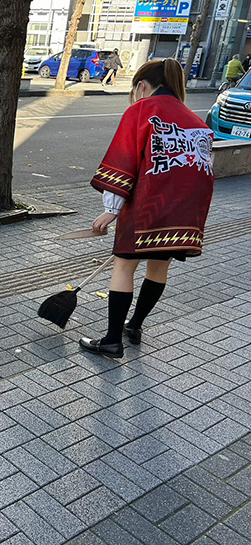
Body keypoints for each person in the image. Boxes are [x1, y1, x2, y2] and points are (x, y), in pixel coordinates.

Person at [80, 58, 214, 358]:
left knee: (124, 267)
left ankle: (113, 340)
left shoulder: (141, 111)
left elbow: (124, 159)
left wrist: (111, 210)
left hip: (145, 207)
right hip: (182, 212)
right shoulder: (197, 123)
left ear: (142, 86)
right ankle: (135, 325)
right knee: (159, 266)